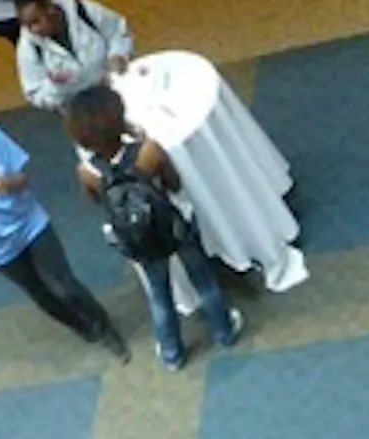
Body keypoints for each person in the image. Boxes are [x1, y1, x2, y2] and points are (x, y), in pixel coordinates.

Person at [0, 97, 128, 360]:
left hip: (29, 223)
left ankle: (105, 327)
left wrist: (6, 182)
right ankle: (84, 328)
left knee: (64, 282)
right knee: (41, 293)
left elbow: (23, 179)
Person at [68, 86, 244, 371]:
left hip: (139, 241)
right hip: (172, 226)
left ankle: (172, 354)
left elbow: (96, 202)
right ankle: (224, 331)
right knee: (203, 280)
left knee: (159, 296)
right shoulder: (149, 151)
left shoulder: (86, 172)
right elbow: (174, 183)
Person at [16, 0, 133, 113]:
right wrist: (56, 88)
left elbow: (118, 32)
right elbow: (34, 94)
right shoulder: (28, 47)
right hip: (81, 112)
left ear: (49, 8)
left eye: (36, 21)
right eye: (28, 26)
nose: (34, 30)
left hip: (118, 89)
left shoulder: (84, 10)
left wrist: (118, 54)